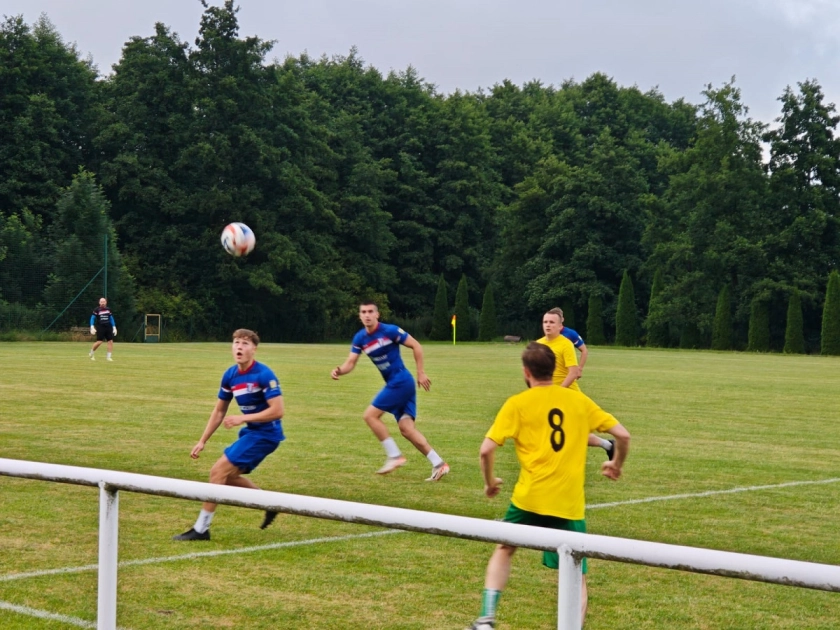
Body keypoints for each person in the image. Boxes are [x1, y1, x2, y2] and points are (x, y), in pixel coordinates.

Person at [467, 342, 630, 630]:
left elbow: (484, 450)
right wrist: (615, 464)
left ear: (526, 372)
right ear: (555, 370)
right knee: (576, 572)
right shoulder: (578, 402)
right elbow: (623, 435)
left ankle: (486, 619)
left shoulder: (517, 403)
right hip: (567, 502)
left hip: (529, 498)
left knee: (504, 549)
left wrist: (490, 482)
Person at [173, 329, 284, 541]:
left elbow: (278, 411)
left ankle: (201, 528)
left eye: (245, 343)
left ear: (254, 349)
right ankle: (268, 502)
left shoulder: (264, 374)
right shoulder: (231, 375)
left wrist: (243, 418)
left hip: (267, 434)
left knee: (217, 472)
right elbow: (219, 411)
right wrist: (202, 440)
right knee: (228, 476)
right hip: (252, 432)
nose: (239, 347)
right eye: (236, 343)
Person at [331, 301, 449, 481]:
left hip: (401, 381)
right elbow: (350, 363)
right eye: (363, 312)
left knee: (370, 416)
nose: (367, 315)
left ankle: (395, 456)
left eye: (371, 311)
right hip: (398, 384)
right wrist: (339, 370)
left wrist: (421, 372)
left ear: (377, 314)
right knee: (406, 429)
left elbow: (416, 345)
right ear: (359, 315)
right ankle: (439, 464)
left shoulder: (390, 331)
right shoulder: (360, 338)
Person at [538, 307, 615, 460]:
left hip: (567, 394)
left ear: (560, 325)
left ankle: (609, 445)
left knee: (567, 431)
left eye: (552, 322)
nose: (548, 325)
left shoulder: (566, 343)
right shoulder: (538, 344)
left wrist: (558, 391)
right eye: (545, 322)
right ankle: (609, 445)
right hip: (548, 396)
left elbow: (573, 372)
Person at [89, 297, 116, 361]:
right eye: (101, 302)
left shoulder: (108, 309)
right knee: (99, 341)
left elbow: (111, 318)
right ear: (99, 303)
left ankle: (108, 357)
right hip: (101, 327)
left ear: (106, 302)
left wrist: (114, 327)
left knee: (110, 341)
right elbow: (92, 318)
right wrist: (92, 326)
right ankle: (91, 352)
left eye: (104, 302)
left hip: (108, 327)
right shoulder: (97, 310)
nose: (102, 303)